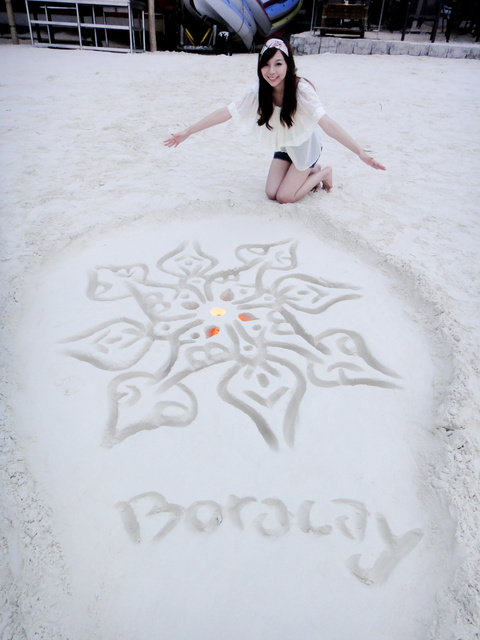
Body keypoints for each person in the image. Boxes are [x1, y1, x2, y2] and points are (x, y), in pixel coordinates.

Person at [164, 37, 385, 204]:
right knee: (271, 193)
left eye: (278, 64)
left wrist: (360, 152)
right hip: (286, 144)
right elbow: (226, 112)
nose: (271, 71)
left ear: (288, 64)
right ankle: (309, 170)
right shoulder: (259, 91)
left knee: (285, 197)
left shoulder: (301, 90)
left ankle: (323, 171)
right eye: (266, 64)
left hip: (306, 146)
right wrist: (188, 132)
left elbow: (327, 124)